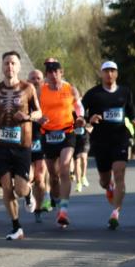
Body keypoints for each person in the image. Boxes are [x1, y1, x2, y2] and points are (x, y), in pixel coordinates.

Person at [0, 52, 42, 241]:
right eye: (6, 63)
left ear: (18, 67)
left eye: (13, 63)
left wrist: (27, 117)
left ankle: (27, 194)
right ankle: (16, 226)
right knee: (6, 188)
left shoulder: (28, 88)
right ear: (2, 66)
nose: (9, 66)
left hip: (22, 145)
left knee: (19, 189)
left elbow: (38, 112)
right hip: (1, 145)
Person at [80, 61, 135, 230]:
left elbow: (130, 109)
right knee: (105, 181)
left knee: (119, 173)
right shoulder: (93, 94)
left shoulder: (124, 92)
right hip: (100, 141)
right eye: (106, 71)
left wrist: (134, 119)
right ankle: (109, 187)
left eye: (112, 71)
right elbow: (79, 113)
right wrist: (88, 120)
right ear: (101, 74)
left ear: (117, 74)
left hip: (120, 138)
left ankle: (115, 213)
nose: (109, 74)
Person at [37, 60, 83, 229]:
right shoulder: (40, 91)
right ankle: (57, 201)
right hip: (47, 134)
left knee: (64, 167)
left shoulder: (70, 89)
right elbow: (34, 110)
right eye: (50, 72)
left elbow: (79, 108)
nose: (53, 75)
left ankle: (63, 210)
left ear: (61, 73)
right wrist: (38, 118)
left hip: (67, 132)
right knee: (53, 175)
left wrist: (79, 118)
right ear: (46, 75)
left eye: (56, 72)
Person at [26, 69, 46, 222]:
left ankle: (38, 208)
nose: (35, 80)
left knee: (39, 178)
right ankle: (28, 195)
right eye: (32, 78)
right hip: (25, 139)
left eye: (38, 78)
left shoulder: (46, 96)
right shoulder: (23, 95)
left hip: (42, 140)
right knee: (29, 177)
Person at [73, 119, 92, 192]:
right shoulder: (72, 121)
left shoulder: (85, 119)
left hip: (84, 142)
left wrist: (85, 124)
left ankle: (83, 176)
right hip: (75, 143)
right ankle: (78, 183)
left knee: (84, 158)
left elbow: (91, 128)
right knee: (77, 162)